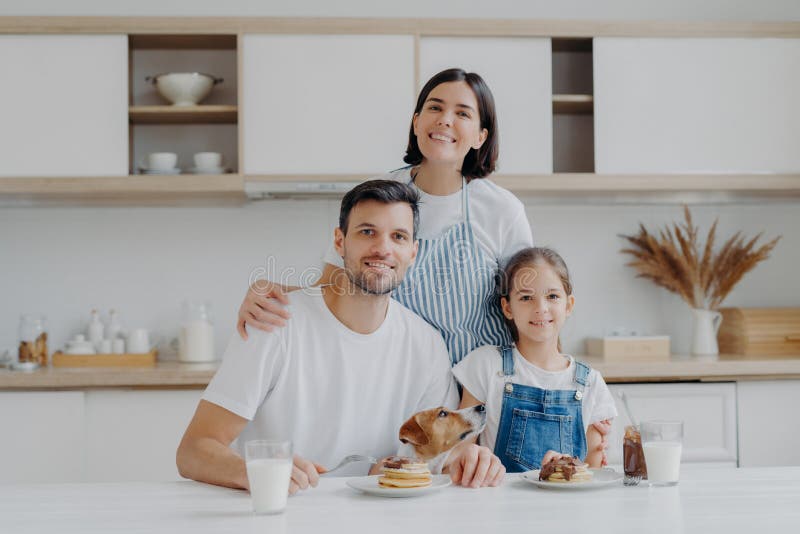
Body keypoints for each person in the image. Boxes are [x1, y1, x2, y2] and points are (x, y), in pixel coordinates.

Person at [176, 180, 505, 495]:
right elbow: (193, 450)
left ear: (413, 252)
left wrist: (469, 460)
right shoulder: (274, 324)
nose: (383, 249)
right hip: (283, 515)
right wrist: (259, 471)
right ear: (339, 241)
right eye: (367, 232)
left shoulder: (427, 345)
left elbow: (442, 455)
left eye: (399, 237)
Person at [236, 68, 533, 366]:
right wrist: (268, 293)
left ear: (481, 136)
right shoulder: (377, 196)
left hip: (483, 392)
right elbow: (332, 289)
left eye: (463, 113)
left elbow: (532, 306)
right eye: (435, 107)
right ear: (417, 122)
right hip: (403, 383)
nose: (445, 119)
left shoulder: (502, 210)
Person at [452, 247, 617, 472]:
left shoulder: (590, 383)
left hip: (569, 506)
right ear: (507, 307)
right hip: (498, 503)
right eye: (526, 297)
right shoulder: (485, 366)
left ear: (568, 305)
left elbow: (593, 473)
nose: (541, 308)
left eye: (552, 296)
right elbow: (458, 457)